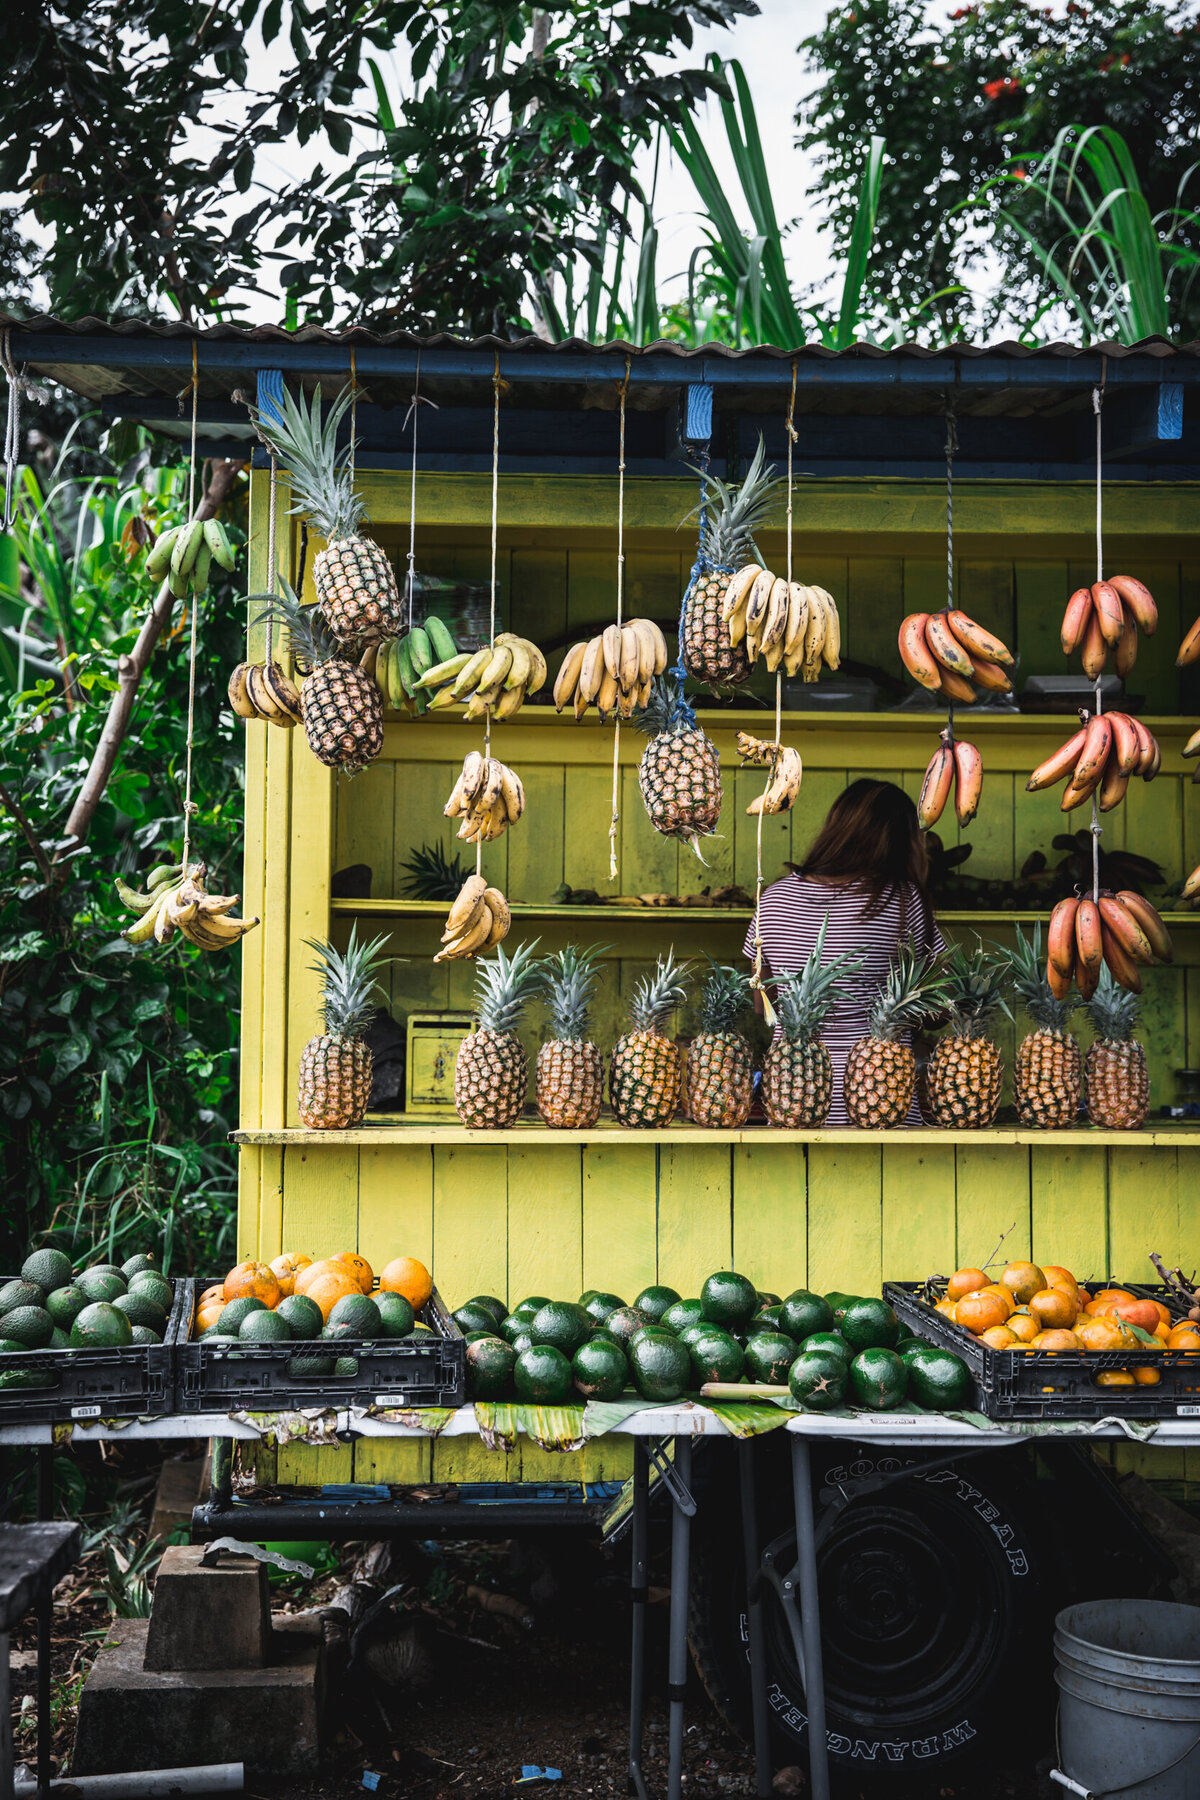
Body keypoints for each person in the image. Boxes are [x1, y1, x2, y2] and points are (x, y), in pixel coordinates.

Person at [743, 778, 945, 1126]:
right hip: (882, 1108)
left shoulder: (772, 899)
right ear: (902, 841)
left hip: (793, 1101)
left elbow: (765, 1007)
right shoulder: (902, 900)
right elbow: (938, 1010)